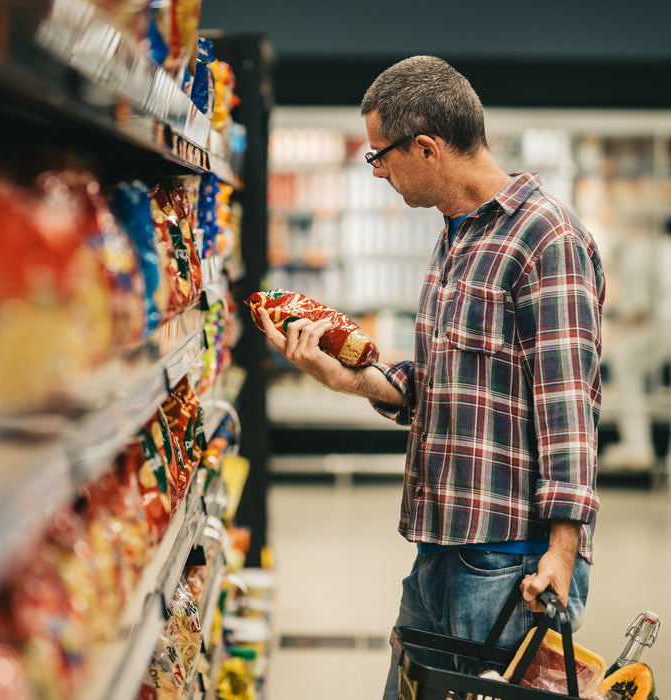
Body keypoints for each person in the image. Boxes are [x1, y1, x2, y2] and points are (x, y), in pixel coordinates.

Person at [255, 56, 605, 699]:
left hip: (511, 559)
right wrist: (345, 378)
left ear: (426, 147)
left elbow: (568, 408)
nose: (378, 170)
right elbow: (437, 386)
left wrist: (564, 549)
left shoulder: (544, 238)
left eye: (379, 155)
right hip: (440, 547)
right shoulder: (456, 238)